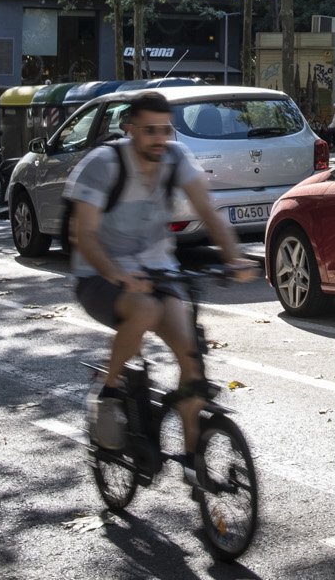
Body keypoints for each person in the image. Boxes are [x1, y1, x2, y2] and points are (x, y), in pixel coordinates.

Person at [68, 91, 257, 449]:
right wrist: (117, 275)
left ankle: (193, 463)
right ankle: (107, 390)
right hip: (98, 275)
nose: (159, 139)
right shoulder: (104, 164)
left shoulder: (175, 158)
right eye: (149, 131)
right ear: (130, 129)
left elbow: (207, 209)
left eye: (165, 130)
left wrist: (234, 258)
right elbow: (85, 235)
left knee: (191, 361)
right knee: (144, 309)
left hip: (159, 271)